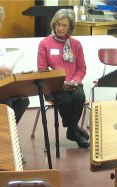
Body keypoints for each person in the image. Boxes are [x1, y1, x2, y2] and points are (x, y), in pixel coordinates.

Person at [37, 9, 89, 148]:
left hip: (73, 83)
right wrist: (60, 83)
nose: (60, 28)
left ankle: (71, 130)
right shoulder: (45, 44)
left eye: (64, 25)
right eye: (58, 24)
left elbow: (81, 68)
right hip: (53, 85)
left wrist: (75, 81)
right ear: (54, 24)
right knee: (66, 100)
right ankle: (74, 130)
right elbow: (42, 70)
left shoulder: (76, 44)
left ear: (70, 27)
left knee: (78, 98)